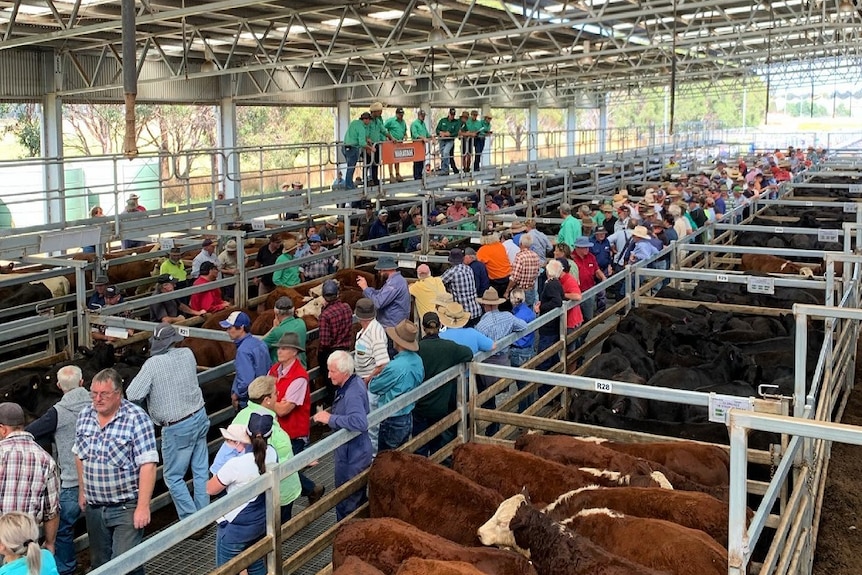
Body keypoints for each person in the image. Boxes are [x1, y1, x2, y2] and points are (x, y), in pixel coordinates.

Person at [73, 368, 158, 575]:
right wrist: (82, 490)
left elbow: (148, 464)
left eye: (104, 394)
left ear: (118, 394)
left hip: (125, 507)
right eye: (93, 393)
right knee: (101, 563)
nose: (97, 399)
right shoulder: (85, 415)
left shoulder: (137, 418)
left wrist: (143, 506)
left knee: (124, 563)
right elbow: (79, 454)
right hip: (95, 507)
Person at [126, 323, 209, 522]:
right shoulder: (188, 353)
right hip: (199, 415)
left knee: (172, 476)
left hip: (177, 426)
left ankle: (192, 520)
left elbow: (132, 394)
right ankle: (205, 513)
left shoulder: (152, 364)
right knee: (200, 469)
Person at [24, 367, 89, 575]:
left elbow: (30, 433)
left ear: (59, 386)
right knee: (100, 525)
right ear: (82, 383)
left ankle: (67, 569)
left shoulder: (57, 413)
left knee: (62, 528)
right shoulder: (98, 401)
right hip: (99, 477)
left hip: (71, 481)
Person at [209, 377, 302, 520]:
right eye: (275, 394)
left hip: (259, 495)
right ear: (267, 400)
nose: (278, 396)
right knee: (277, 530)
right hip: (274, 493)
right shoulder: (263, 425)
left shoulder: (243, 416)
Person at [206, 413, 277, 575]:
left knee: (227, 569)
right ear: (270, 434)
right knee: (255, 561)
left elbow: (210, 489)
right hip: (260, 521)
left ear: (247, 433)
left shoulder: (235, 464)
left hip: (236, 526)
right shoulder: (273, 454)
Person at [312, 351, 373, 521]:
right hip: (354, 452)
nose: (329, 375)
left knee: (348, 501)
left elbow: (360, 422)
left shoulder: (352, 393)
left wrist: (330, 418)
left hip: (352, 456)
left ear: (344, 372)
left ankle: (348, 537)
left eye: (332, 371)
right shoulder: (354, 383)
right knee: (355, 498)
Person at [267, 335, 324, 504]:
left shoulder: (299, 377)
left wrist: (271, 400)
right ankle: (312, 489)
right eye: (279, 348)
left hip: (293, 433)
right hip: (278, 431)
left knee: (285, 471)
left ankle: (305, 493)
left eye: (284, 348)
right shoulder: (275, 369)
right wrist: (277, 401)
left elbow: (284, 410)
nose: (279, 351)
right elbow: (266, 395)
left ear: (294, 352)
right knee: (286, 470)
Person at [0, 403, 60, 555]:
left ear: (2, 429)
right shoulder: (46, 459)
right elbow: (51, 511)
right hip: (28, 546)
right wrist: (50, 542)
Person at [412, 312, 473, 457]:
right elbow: (468, 354)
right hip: (440, 405)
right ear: (440, 326)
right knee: (439, 445)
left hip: (420, 406)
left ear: (423, 327)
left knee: (419, 446)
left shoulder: (418, 348)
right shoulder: (449, 347)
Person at [474, 288, 527, 435]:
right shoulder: (508, 317)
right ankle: (496, 428)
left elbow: (478, 345)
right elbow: (524, 326)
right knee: (500, 396)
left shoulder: (481, 326)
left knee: (487, 399)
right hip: (503, 361)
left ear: (485, 305)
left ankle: (489, 431)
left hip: (487, 364)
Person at [369, 320, 424, 451]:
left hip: (392, 418)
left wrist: (374, 376)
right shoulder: (417, 360)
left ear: (398, 342)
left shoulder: (395, 366)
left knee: (387, 458)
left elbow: (374, 387)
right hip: (408, 413)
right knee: (402, 455)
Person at [352, 298, 389, 455]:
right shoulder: (366, 330)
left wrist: (368, 379)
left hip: (370, 385)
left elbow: (383, 363)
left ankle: (372, 457)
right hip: (364, 381)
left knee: (372, 424)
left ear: (358, 316)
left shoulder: (375, 333)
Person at [221, 311, 271, 410]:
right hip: (264, 395)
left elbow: (246, 381)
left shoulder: (243, 351)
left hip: (249, 401)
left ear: (241, 328)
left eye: (230, 328)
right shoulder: (259, 343)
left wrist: (236, 395)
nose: (227, 331)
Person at [317, 279, 354, 402]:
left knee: (332, 386)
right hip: (346, 351)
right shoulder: (347, 307)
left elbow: (324, 342)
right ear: (337, 294)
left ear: (324, 296)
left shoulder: (325, 315)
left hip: (332, 353)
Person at [357, 256, 410, 328]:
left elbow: (378, 303)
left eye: (380, 270)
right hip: (395, 323)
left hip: (391, 326)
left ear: (386, 269)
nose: (379, 272)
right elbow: (380, 294)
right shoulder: (397, 280)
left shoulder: (394, 284)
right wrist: (367, 289)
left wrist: (365, 288)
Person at [440, 248, 483, 326]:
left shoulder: (452, 272)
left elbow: (439, 282)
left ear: (450, 261)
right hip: (476, 309)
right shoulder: (469, 269)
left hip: (462, 314)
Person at [262, 297, 307, 366]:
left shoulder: (277, 332)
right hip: (301, 366)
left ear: (276, 313)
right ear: (293, 309)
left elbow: (259, 345)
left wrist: (274, 328)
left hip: (283, 369)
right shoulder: (301, 323)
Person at [505, 234, 541, 307]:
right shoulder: (536, 256)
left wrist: (507, 290)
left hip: (520, 291)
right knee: (529, 310)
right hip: (531, 289)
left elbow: (514, 277)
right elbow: (537, 272)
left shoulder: (519, 256)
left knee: (518, 311)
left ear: (520, 243)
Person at [476, 232, 511, 300]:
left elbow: (477, 263)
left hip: (496, 280)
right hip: (507, 277)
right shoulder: (500, 245)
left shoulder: (483, 249)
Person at [343, 111, 373, 190]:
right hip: (353, 147)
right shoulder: (362, 128)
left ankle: (348, 183)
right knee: (351, 167)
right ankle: (349, 186)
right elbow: (362, 143)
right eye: (369, 120)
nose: (369, 122)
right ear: (366, 120)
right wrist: (371, 148)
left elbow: (355, 134)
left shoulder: (354, 123)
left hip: (344, 146)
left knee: (349, 167)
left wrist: (366, 139)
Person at [384, 107, 407, 182]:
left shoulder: (403, 122)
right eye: (400, 114)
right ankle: (391, 175)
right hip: (391, 143)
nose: (401, 116)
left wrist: (405, 135)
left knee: (397, 159)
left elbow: (404, 130)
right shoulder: (391, 121)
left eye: (402, 114)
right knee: (391, 159)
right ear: (396, 114)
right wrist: (389, 137)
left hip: (400, 143)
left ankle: (397, 174)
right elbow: (383, 128)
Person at [435, 108, 461, 175]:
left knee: (446, 152)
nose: (452, 116)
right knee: (443, 154)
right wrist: (441, 133)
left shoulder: (456, 122)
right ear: (449, 114)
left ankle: (445, 169)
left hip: (450, 140)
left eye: (453, 115)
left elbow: (456, 133)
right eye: (451, 114)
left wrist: (449, 134)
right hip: (442, 140)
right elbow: (437, 130)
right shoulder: (442, 120)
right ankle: (443, 168)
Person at [410, 109, 432, 180]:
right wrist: (422, 138)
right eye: (422, 116)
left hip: (422, 146)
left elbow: (427, 133)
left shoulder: (423, 124)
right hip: (416, 145)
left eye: (424, 116)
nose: (423, 117)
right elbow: (414, 134)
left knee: (422, 160)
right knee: (417, 161)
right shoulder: (414, 124)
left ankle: (420, 174)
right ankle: (416, 176)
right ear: (419, 116)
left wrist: (432, 137)